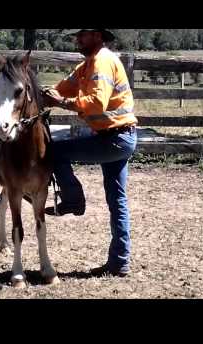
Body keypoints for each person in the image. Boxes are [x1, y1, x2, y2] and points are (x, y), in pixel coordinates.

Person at [40, 29, 138, 277]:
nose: (77, 39)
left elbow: (95, 103)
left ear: (95, 35)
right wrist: (45, 93)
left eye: (81, 35)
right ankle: (119, 262)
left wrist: (61, 103)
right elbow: (64, 87)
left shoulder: (102, 62)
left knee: (56, 151)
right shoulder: (87, 65)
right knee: (117, 201)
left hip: (114, 139)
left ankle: (73, 200)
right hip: (118, 137)